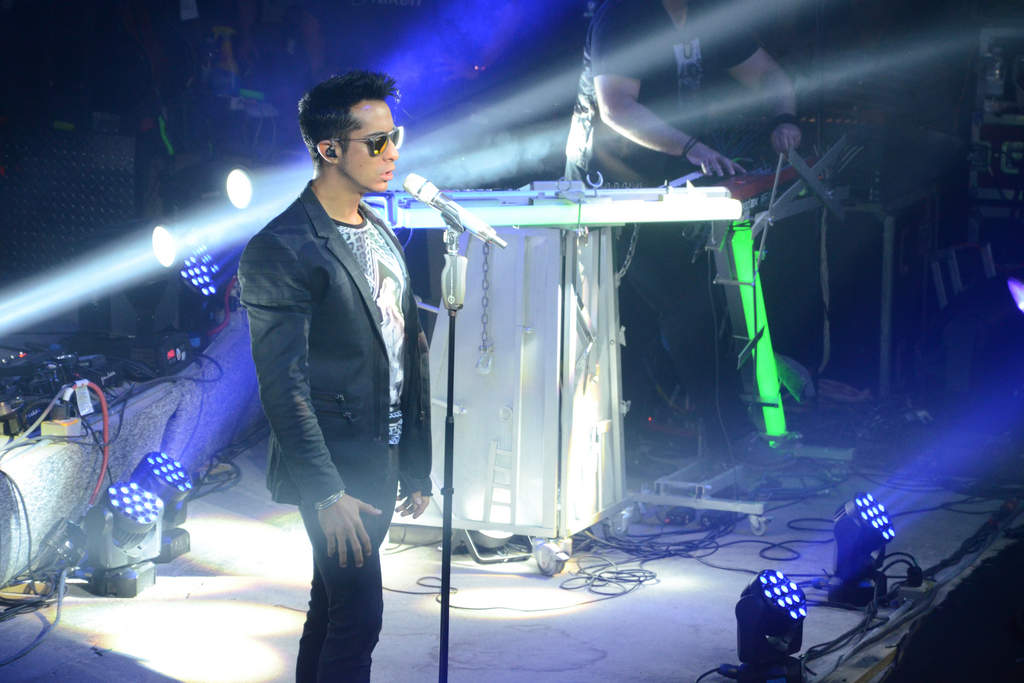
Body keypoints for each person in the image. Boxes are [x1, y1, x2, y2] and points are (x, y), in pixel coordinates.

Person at [237, 70, 432, 683]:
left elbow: (403, 350)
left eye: (395, 137)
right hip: (335, 468)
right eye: (376, 142)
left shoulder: (378, 228)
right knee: (359, 617)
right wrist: (325, 493)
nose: (392, 152)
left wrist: (415, 460)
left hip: (384, 453)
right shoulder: (281, 248)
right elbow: (282, 386)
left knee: (332, 610)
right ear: (328, 149)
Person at [565, 0, 802, 452]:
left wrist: (785, 118)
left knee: (648, 319)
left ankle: (645, 445)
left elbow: (767, 74)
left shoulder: (706, 12)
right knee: (682, 309)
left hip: (668, 184)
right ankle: (727, 440)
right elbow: (616, 107)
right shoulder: (624, 15)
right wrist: (692, 147)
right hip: (610, 187)